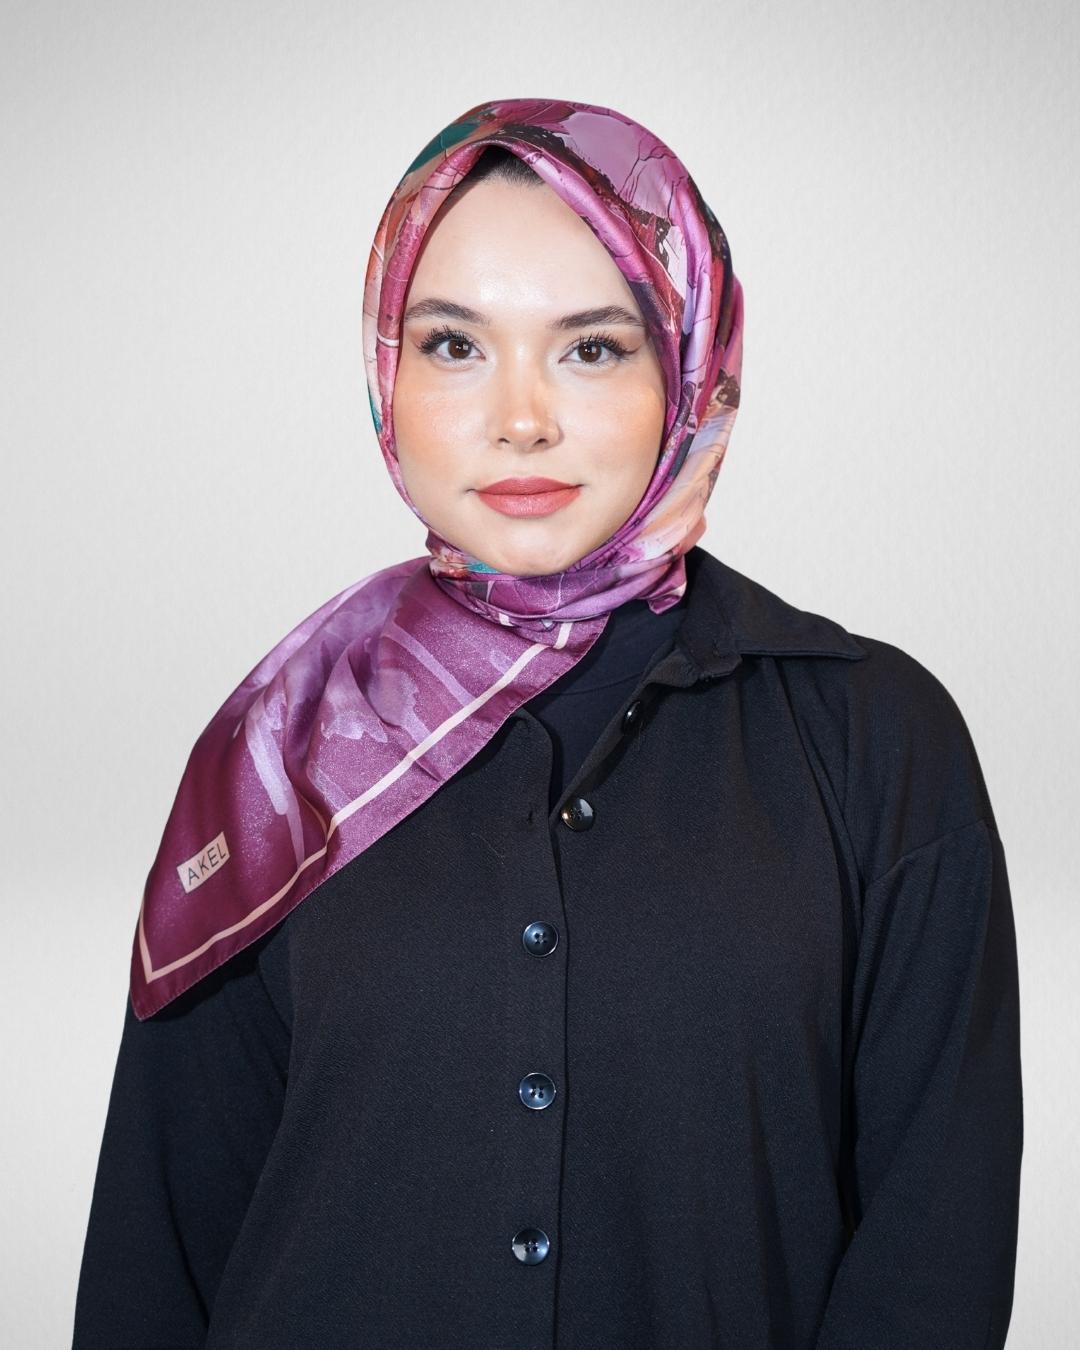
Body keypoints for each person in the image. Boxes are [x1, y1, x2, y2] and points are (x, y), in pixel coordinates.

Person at [72, 98, 1023, 1350]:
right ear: (388, 373)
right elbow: (158, 1257)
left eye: (593, 349)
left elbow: (932, 1255)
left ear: (689, 367)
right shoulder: (283, 752)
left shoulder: (876, 742)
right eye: (453, 344)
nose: (520, 417)